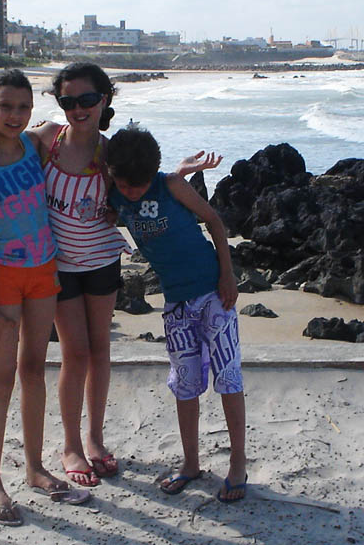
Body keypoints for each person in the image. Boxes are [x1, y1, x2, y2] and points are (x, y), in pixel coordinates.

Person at [0, 62, 220, 487]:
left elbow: (146, 181)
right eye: (69, 101)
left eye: (88, 99)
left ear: (104, 100)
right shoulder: (46, 139)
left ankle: (95, 438)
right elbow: (6, 142)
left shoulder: (110, 154)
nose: (78, 108)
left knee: (100, 351)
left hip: (103, 260)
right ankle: (70, 445)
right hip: (58, 267)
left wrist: (179, 174)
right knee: (75, 353)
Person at [0, 69, 90, 526]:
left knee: (33, 369)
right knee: (2, 377)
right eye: (5, 106)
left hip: (43, 272)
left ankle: (34, 468)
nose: (14, 115)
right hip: (2, 277)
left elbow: (82, 130)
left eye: (23, 107)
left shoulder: (35, 145)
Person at [106, 123, 248, 503]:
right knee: (184, 384)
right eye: (124, 186)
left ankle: (238, 461)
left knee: (228, 377)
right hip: (175, 305)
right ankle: (191, 463)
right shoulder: (115, 192)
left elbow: (215, 222)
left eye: (137, 186)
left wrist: (228, 275)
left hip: (214, 295)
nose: (131, 194)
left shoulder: (171, 186)